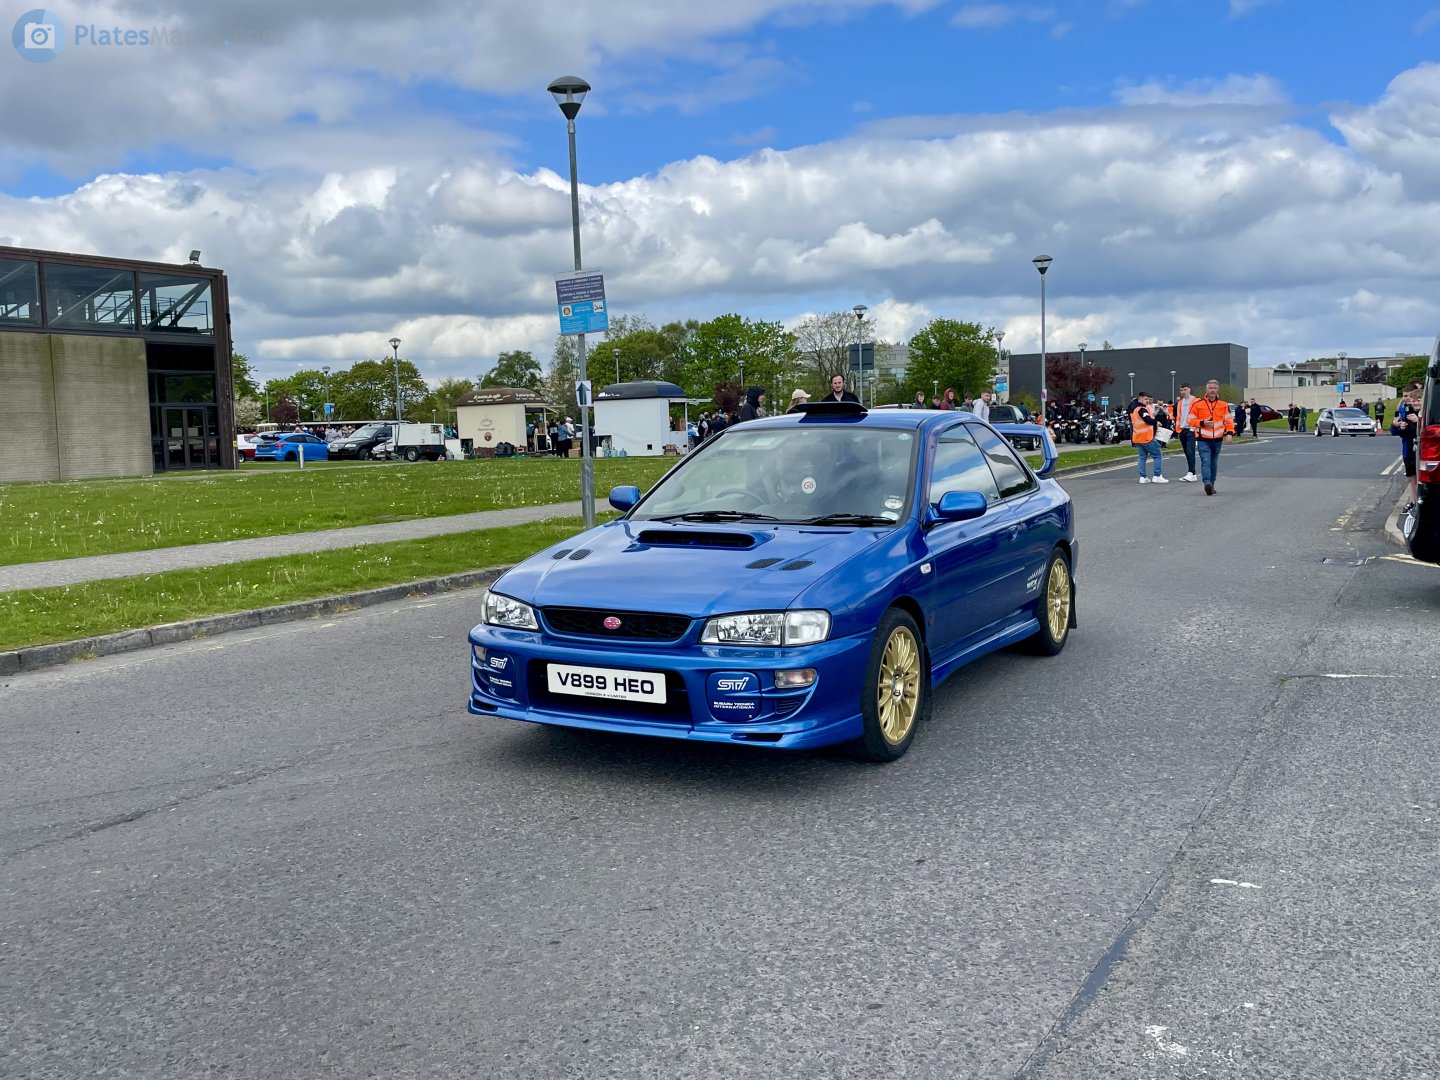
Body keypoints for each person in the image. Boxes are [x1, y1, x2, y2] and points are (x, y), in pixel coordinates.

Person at [1188, 380, 1235, 495]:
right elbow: (1190, 420)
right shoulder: (1198, 404)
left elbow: (1229, 420)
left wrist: (1229, 433)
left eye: (1214, 388)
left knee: (1213, 463)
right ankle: (1207, 483)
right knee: (1205, 461)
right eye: (1210, 388)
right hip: (1203, 438)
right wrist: (1202, 423)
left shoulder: (1223, 405)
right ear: (1206, 389)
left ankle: (1211, 484)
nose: (1212, 390)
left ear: (1218, 390)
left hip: (1217, 439)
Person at [1393, 382, 1422, 509]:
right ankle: (1413, 502)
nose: (1409, 400)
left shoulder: (1425, 412)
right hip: (1408, 449)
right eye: (1405, 396)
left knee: (1422, 478)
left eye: (1417, 400)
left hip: (1423, 450)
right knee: (1411, 478)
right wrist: (1398, 427)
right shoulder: (1403, 411)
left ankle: (1420, 503)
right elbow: (1396, 432)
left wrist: (1418, 421)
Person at [1129, 390, 1167, 484]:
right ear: (1140, 399)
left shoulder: (1132, 410)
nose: (1147, 401)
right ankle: (1157, 476)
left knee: (1142, 457)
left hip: (1137, 437)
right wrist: (1156, 422)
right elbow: (1147, 419)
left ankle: (1143, 477)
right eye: (1146, 399)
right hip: (1146, 437)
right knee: (1157, 455)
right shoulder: (1141, 409)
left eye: (1148, 399)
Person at [1174, 383, 1199, 481]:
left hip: (1191, 429)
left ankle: (1191, 472)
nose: (1183, 392)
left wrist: (1195, 427)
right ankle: (1191, 473)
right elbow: (1179, 416)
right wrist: (1178, 429)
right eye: (1181, 390)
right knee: (1186, 452)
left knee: (1190, 451)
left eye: (1185, 389)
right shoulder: (1180, 402)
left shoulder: (1196, 401)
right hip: (1182, 429)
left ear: (1189, 389)